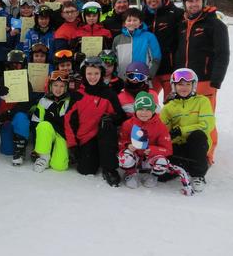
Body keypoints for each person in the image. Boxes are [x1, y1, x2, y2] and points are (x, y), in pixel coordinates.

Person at [175, 0, 229, 163]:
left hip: (205, 80)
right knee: (185, 116)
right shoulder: (182, 24)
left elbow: (223, 54)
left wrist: (216, 81)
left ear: (203, 2)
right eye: (190, 2)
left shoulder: (215, 24)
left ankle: (207, 154)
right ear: (184, 4)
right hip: (184, 81)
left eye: (197, 1)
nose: (193, 5)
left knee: (205, 118)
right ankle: (186, 149)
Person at [117, 91, 193, 195]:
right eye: (140, 109)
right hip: (136, 156)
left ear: (153, 110)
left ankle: (153, 176)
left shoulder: (160, 126)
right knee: (124, 157)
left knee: (162, 162)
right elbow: (120, 142)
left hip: (150, 158)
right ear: (135, 109)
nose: (144, 113)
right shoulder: (127, 124)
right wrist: (127, 145)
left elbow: (168, 149)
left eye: (148, 109)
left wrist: (152, 150)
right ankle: (130, 173)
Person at [64, 57, 125, 186]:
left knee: (107, 125)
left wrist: (111, 118)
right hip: (86, 139)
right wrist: (73, 146)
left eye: (96, 73)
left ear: (101, 74)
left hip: (103, 136)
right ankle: (95, 157)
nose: (93, 77)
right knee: (85, 170)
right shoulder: (77, 95)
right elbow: (68, 121)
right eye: (89, 73)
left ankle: (109, 169)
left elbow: (120, 115)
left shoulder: (109, 94)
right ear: (84, 74)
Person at [160, 68, 215, 193]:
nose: (183, 88)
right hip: (180, 145)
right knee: (161, 177)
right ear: (174, 86)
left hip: (197, 145)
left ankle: (198, 174)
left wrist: (181, 130)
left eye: (187, 84)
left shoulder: (202, 101)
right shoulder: (169, 107)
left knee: (197, 136)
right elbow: (162, 130)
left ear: (193, 85)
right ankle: (181, 167)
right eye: (180, 84)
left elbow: (207, 125)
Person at [141, 0, 184, 99]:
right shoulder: (141, 16)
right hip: (150, 70)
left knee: (171, 103)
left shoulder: (176, 14)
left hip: (169, 69)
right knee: (148, 103)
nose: (153, 0)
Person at [0, 50, 32, 165]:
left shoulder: (26, 82)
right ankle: (14, 139)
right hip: (5, 120)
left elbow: (27, 104)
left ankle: (21, 144)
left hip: (16, 116)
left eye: (17, 64)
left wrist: (10, 112)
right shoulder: (0, 80)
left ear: (23, 66)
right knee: (7, 151)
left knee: (21, 118)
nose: (14, 67)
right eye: (11, 64)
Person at [32, 70, 73, 173]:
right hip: (48, 132)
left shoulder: (70, 101)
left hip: (62, 135)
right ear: (50, 86)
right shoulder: (44, 101)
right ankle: (43, 158)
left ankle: (56, 152)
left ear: (66, 87)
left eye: (62, 86)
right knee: (43, 125)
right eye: (55, 85)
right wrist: (36, 146)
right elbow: (36, 122)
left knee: (59, 166)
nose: (58, 89)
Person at [112, 8, 161, 79]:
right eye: (129, 20)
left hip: (143, 78)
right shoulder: (118, 39)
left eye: (135, 20)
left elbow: (156, 58)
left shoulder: (149, 37)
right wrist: (116, 74)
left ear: (140, 22)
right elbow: (114, 59)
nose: (132, 23)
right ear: (124, 23)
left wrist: (149, 75)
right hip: (123, 79)